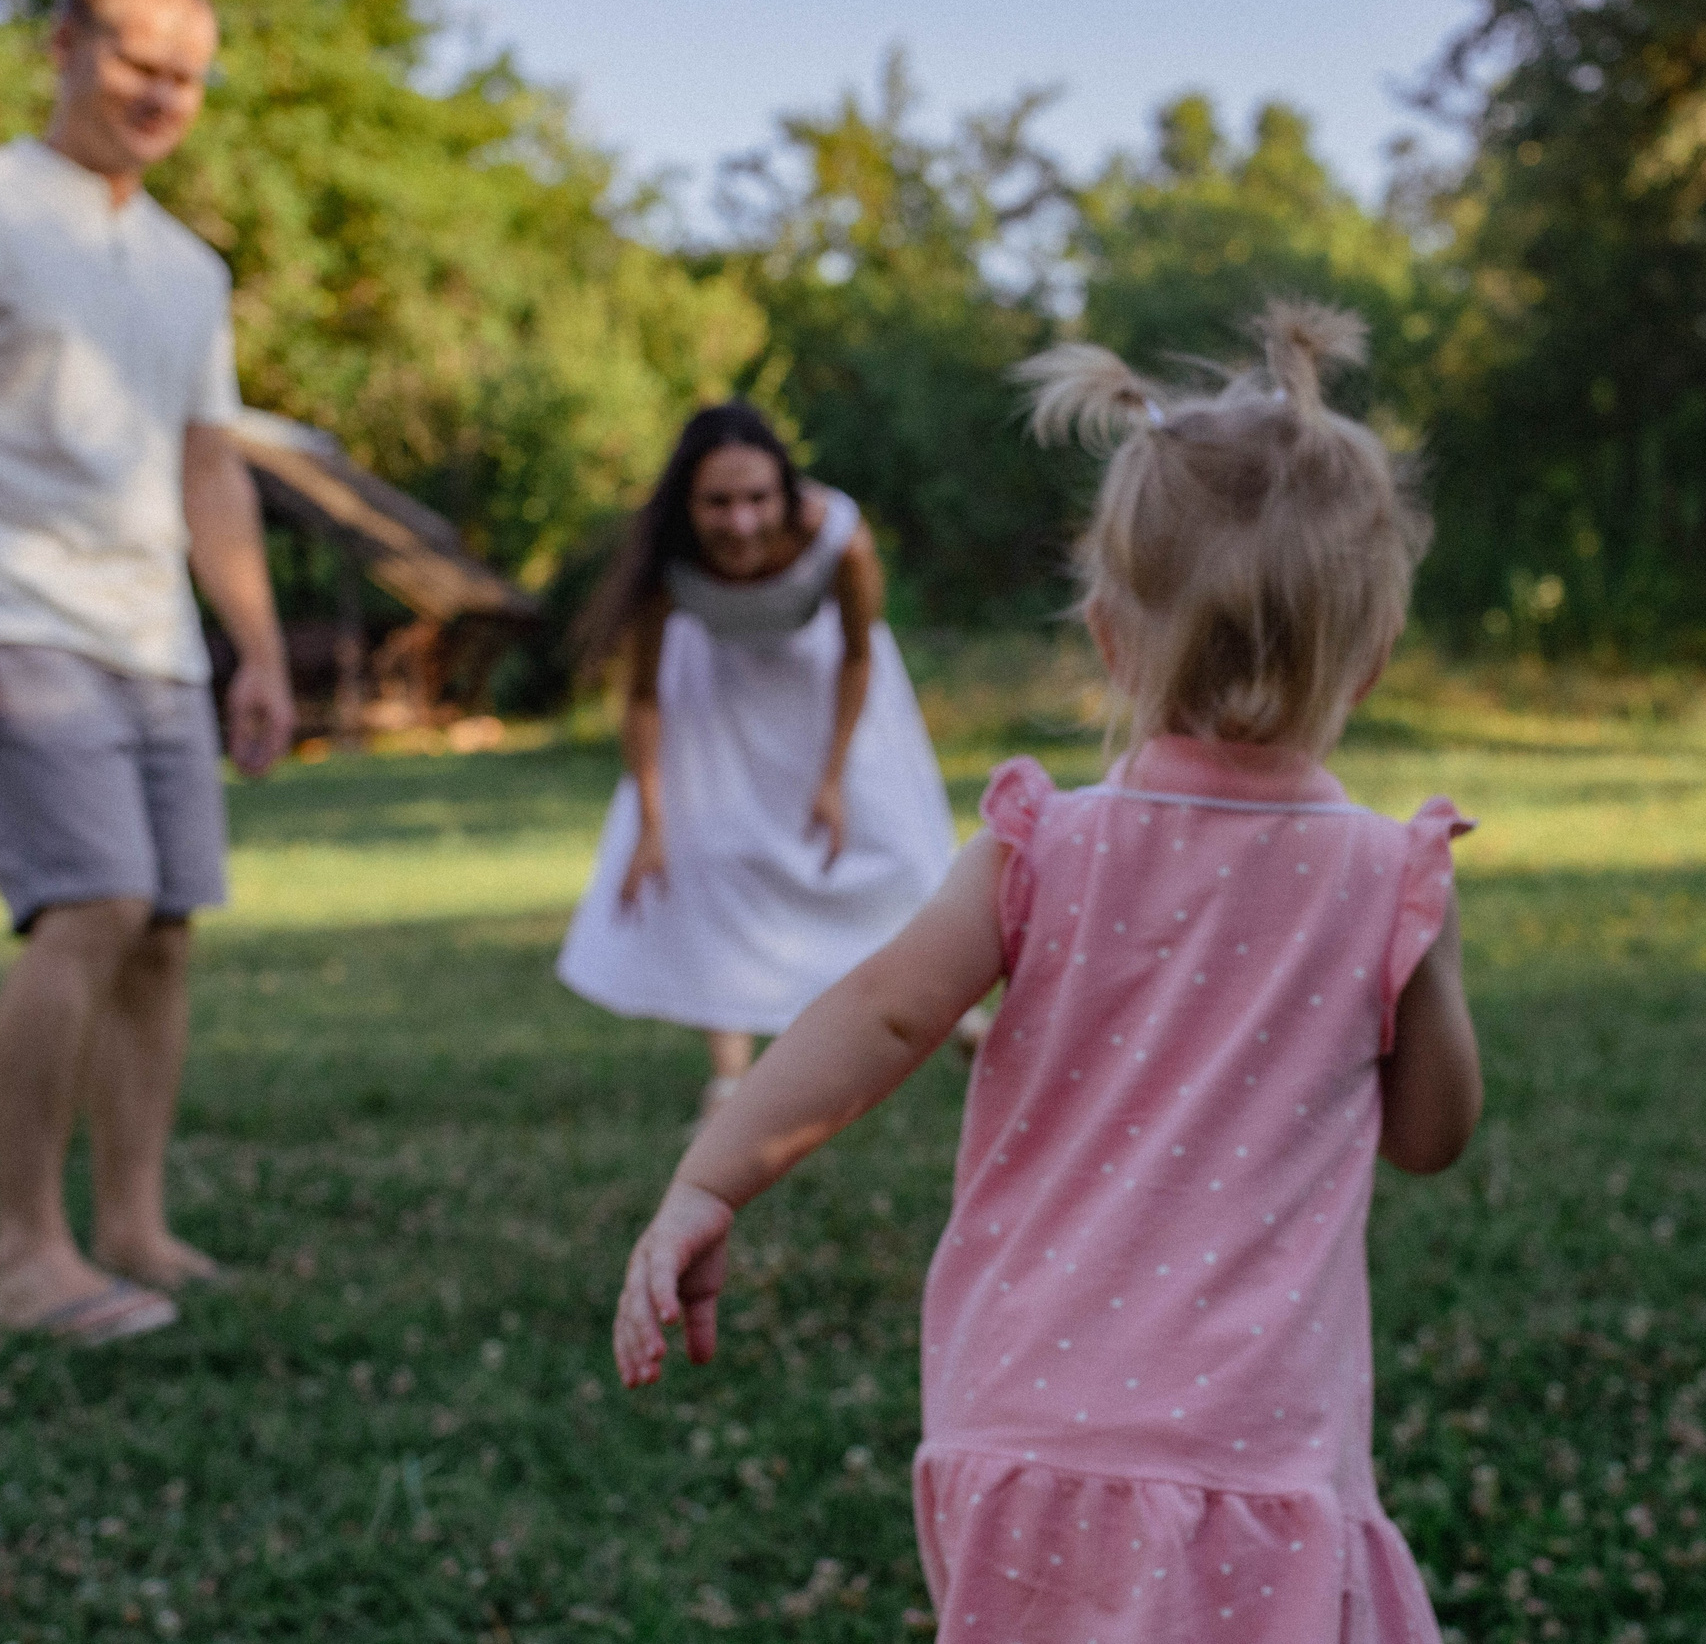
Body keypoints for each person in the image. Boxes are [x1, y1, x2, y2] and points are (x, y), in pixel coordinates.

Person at [612, 305, 1485, 1642]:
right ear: (1372, 652)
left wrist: (707, 1176)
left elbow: (881, 1009)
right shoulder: (1386, 875)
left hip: (1016, 1417)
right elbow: (1432, 1132)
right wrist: (1428, 944)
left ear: (1107, 638)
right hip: (1251, 1438)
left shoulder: (1041, 843)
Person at [0, 0, 293, 1345]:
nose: (164, 92)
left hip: (152, 637)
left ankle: (134, 1221)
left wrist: (258, 650)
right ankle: (25, 1255)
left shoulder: (189, 266)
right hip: (8, 610)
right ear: (63, 46)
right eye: (137, 59)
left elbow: (209, 471)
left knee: (161, 934)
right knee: (91, 904)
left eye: (188, 73)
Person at [555, 403, 959, 1111]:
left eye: (756, 499)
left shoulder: (840, 541)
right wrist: (652, 820)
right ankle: (731, 1077)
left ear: (786, 494)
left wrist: (831, 778)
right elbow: (643, 697)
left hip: (829, 685)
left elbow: (860, 653)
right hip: (716, 693)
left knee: (891, 851)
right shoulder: (667, 563)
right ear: (687, 503)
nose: (740, 522)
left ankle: (953, 1012)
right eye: (717, 502)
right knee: (714, 853)